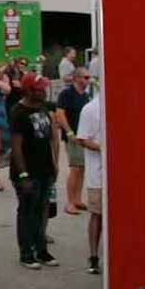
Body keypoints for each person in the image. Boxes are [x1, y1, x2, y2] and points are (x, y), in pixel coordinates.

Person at [10, 72, 60, 270]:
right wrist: (23, 175)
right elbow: (16, 147)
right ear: (29, 91)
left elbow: (50, 138)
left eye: (44, 89)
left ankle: (41, 249)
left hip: (45, 169)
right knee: (27, 211)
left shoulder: (44, 108)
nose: (43, 93)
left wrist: (54, 164)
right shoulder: (19, 112)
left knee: (42, 211)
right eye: (39, 90)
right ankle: (26, 253)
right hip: (27, 172)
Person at [55, 66, 93, 215]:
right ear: (77, 78)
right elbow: (60, 114)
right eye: (85, 77)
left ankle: (77, 199)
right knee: (75, 168)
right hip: (74, 136)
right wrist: (69, 132)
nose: (88, 80)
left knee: (82, 168)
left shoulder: (86, 95)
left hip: (84, 136)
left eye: (88, 77)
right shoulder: (67, 94)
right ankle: (69, 202)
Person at [75, 90, 104, 275]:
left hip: (118, 174)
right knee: (97, 215)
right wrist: (104, 147)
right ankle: (93, 257)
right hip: (98, 175)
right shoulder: (90, 109)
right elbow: (82, 139)